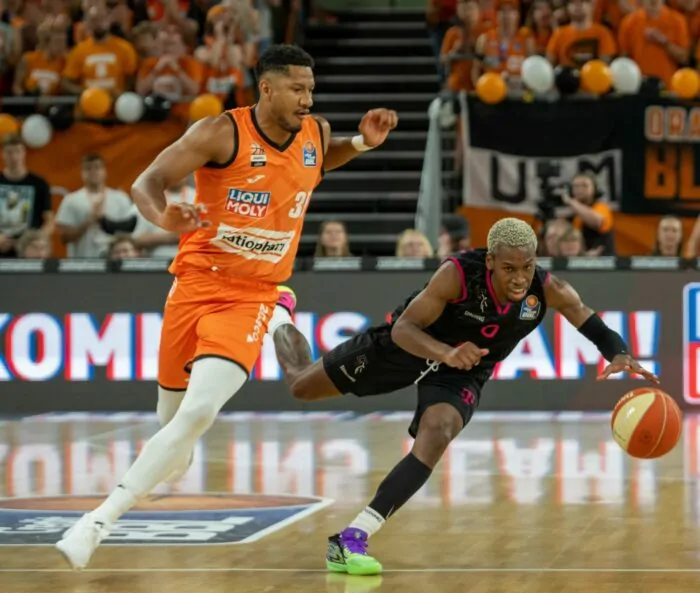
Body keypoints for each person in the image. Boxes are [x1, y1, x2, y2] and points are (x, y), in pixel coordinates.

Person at [55, 43, 398, 570]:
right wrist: (165, 217)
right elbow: (147, 183)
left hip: (253, 294)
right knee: (173, 426)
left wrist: (360, 143)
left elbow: (318, 159)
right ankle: (174, 450)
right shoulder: (221, 133)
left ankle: (97, 522)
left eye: (311, 89)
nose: (307, 99)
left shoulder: (316, 132)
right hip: (194, 284)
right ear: (267, 88)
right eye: (297, 89)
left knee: (198, 412)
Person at [267, 217, 658, 576]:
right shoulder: (457, 275)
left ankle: (351, 538)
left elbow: (587, 318)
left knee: (439, 431)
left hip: (464, 370)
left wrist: (618, 352)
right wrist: (445, 352)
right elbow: (404, 329)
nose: (520, 278)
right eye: (509, 268)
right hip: (408, 348)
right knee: (301, 385)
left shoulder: (546, 289)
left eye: (527, 267)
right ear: (490, 261)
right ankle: (278, 311)